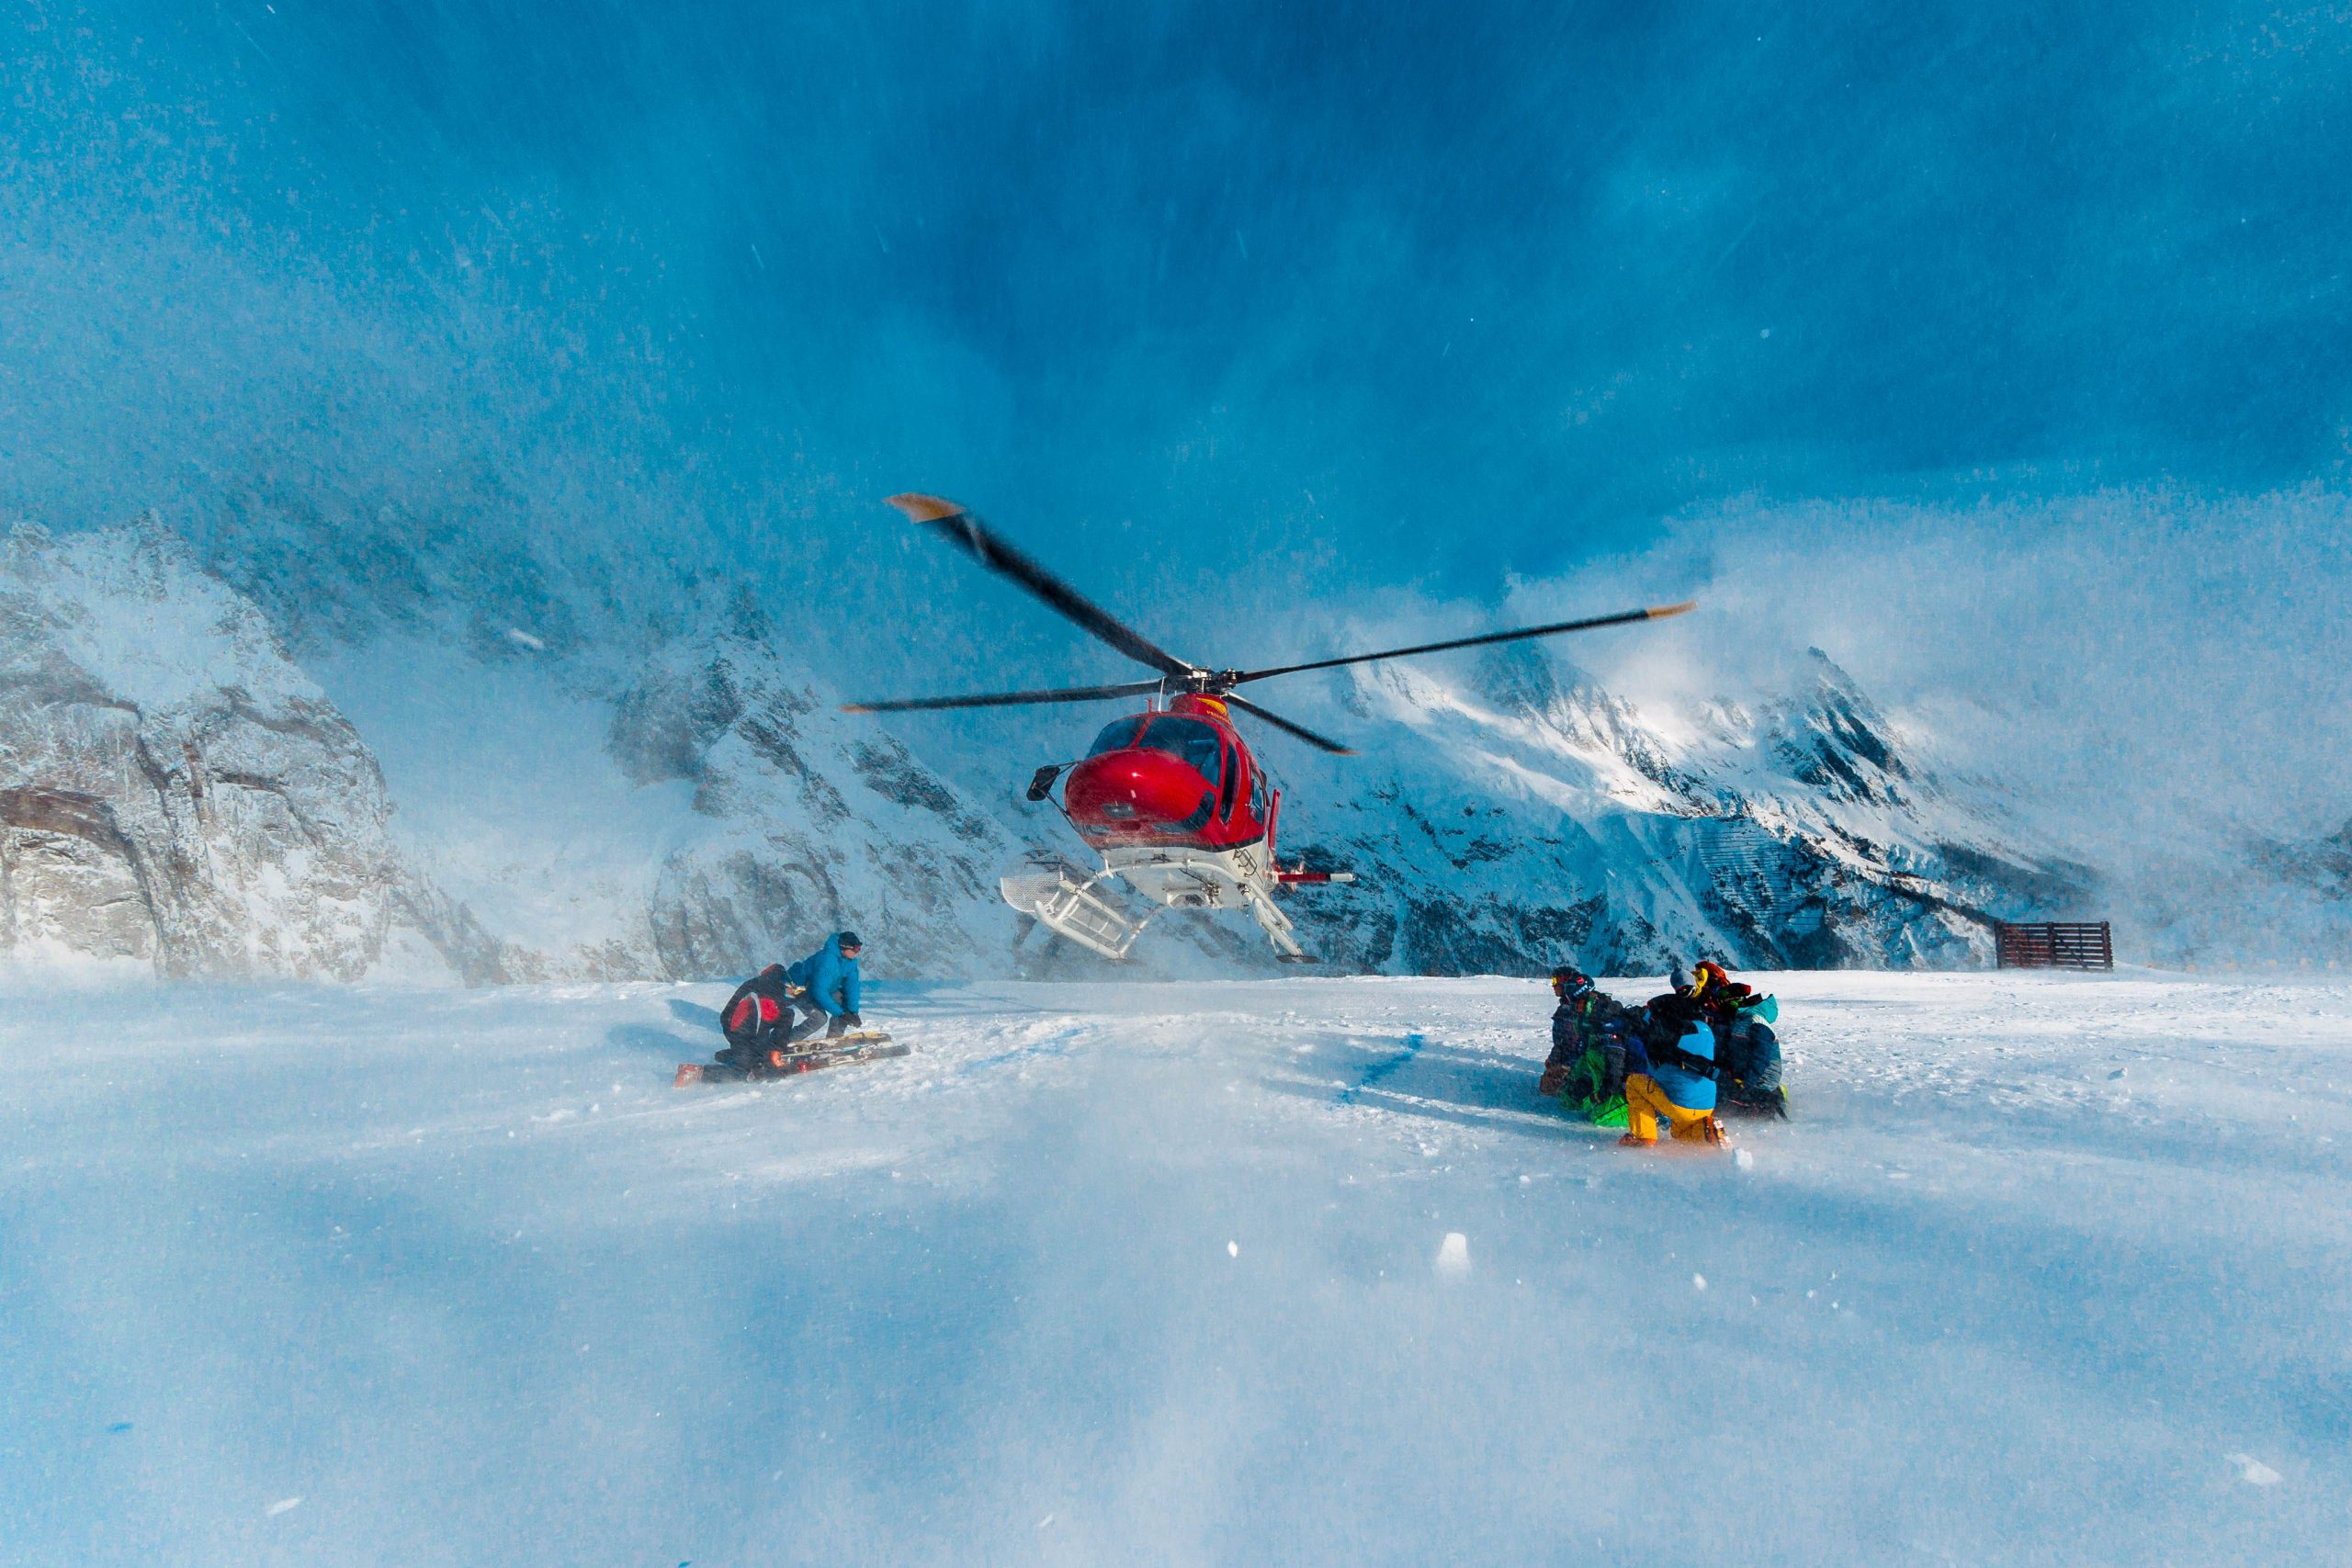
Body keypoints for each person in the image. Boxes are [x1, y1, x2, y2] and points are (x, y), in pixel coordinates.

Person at [1621, 964, 1726, 1148]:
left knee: (1634, 1084)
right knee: (1679, 1132)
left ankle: (1643, 1137)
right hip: (1707, 1105)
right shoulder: (1705, 1029)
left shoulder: (1662, 1034)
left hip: (1679, 1104)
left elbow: (1653, 1068)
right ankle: (1707, 1131)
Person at [716, 962, 803, 1070]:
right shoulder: (769, 992)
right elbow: (760, 1024)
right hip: (737, 1028)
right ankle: (703, 1072)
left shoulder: (769, 983)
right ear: (790, 983)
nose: (795, 993)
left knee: (786, 1014)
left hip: (739, 1023)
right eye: (797, 989)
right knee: (748, 1067)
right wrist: (771, 1054)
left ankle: (737, 1054)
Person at [785, 931, 865, 1042]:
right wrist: (841, 1014)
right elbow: (819, 991)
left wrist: (852, 1011)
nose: (857, 952)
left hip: (822, 989)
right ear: (845, 947)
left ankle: (833, 1041)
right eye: (855, 949)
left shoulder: (850, 961)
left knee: (845, 1007)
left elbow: (852, 986)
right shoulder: (827, 960)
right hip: (799, 989)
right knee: (819, 1018)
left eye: (859, 949)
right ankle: (786, 1042)